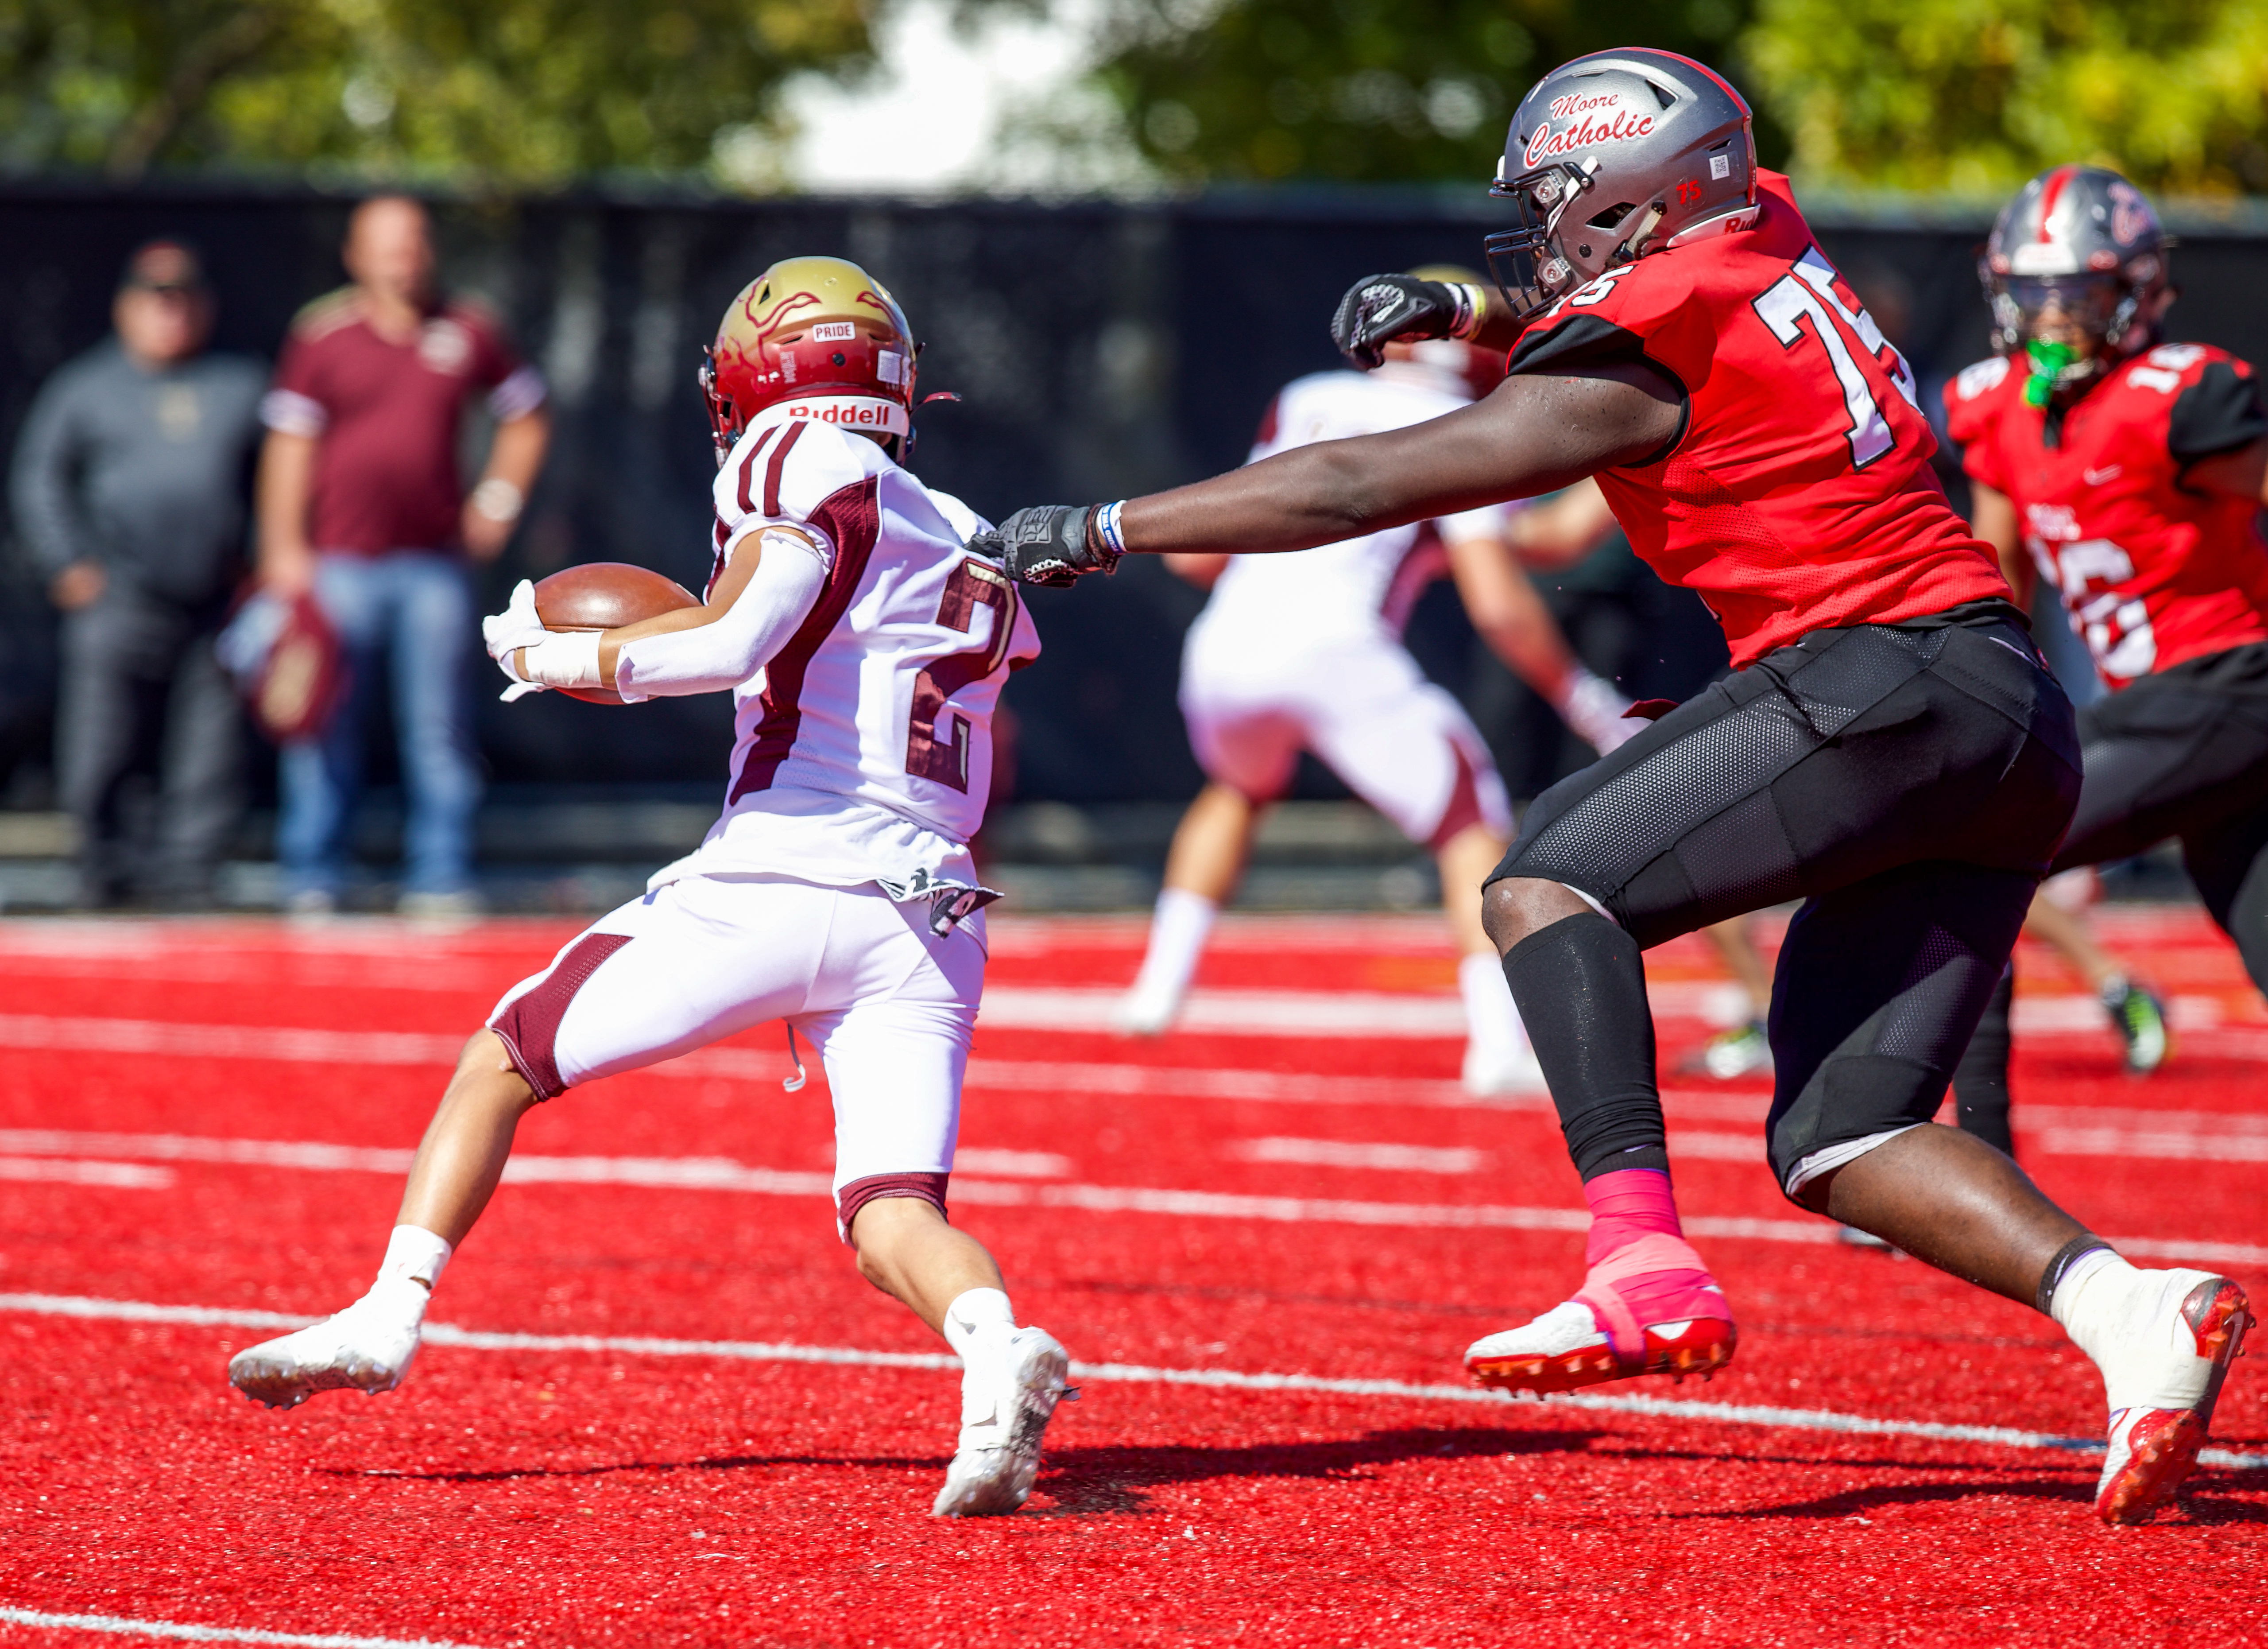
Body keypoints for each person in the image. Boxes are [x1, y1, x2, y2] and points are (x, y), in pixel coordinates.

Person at [968, 50, 2249, 1525]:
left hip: (1879, 673)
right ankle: (2134, 1314)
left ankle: (1633, 1260)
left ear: (1625, 197)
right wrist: (1471, 308)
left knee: (1541, 879)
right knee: (1847, 1136)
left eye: (1557, 204)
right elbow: (1645, 310)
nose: (1543, 230)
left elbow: (1363, 485)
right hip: (2008, 714)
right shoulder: (1764, 228)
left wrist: (1102, 524)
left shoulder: (1647, 329)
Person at [227, 256, 1073, 1519]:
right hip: (933, 907)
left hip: (787, 870)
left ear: (763, 374)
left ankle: (387, 1314)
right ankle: (996, 1346)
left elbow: (733, 641)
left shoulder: (789, 457)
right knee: (892, 1207)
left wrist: (561, 653)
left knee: (505, 1056)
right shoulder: (961, 529)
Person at [1116, 294, 1629, 1094]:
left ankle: (1156, 991)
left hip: (1225, 646)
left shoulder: (1309, 397)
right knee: (1471, 822)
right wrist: (1587, 702)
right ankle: (1496, 1046)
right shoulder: (1459, 429)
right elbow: (1501, 596)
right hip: (1338, 650)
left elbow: (1199, 556)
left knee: (1238, 789)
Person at [1940, 163, 2268, 1148]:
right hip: (2175, 718)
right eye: (2034, 297)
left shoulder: (2179, 394)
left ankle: (1964, 1160)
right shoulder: (1996, 405)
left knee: (1970, 854)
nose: (2053, 322)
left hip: (2224, 686)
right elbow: (1996, 580)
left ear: (2134, 292)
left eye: (2078, 297)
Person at [256, 195, 551, 916]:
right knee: (322, 720)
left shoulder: (468, 329)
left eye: (413, 241)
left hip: (433, 567)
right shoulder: (323, 336)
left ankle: (440, 873)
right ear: (355, 255)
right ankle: (313, 871)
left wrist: (496, 503)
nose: (401, 256)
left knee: (439, 726)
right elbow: (289, 448)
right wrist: (284, 552)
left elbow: (527, 414)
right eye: (385, 243)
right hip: (338, 565)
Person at [9, 240, 263, 906]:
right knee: (102, 741)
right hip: (118, 592)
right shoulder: (85, 388)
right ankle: (104, 866)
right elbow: (39, 479)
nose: (169, 313)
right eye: (155, 298)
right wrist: (66, 561)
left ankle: (191, 870)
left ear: (203, 307)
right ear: (127, 306)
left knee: (209, 747)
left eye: (182, 298)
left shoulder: (238, 386)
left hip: (215, 598)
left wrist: (263, 563)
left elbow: (282, 478)